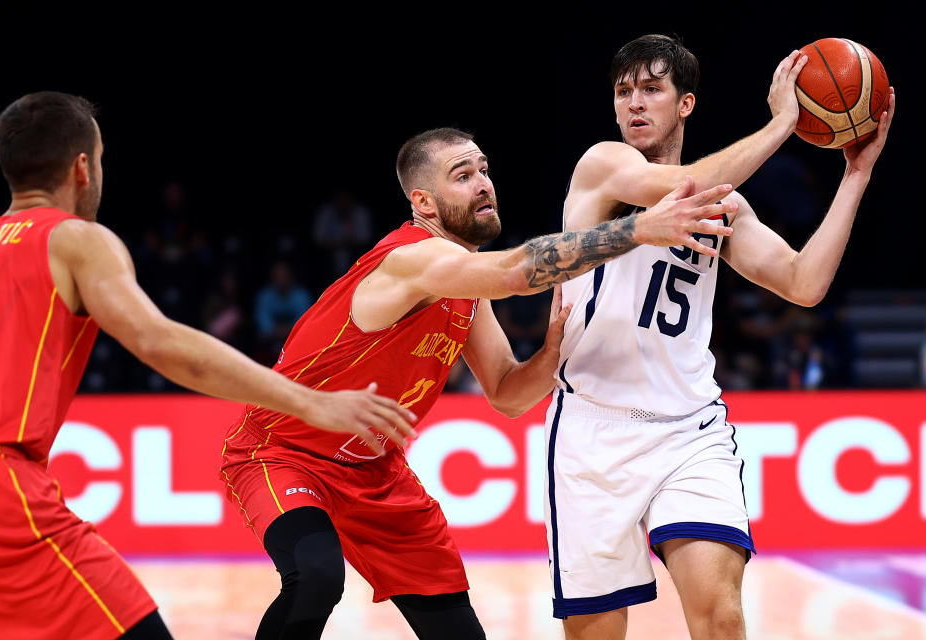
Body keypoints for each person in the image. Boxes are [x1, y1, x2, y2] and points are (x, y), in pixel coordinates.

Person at [219, 126, 737, 640]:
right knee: (315, 577)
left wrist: (551, 356)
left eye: (484, 170)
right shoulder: (411, 259)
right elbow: (516, 272)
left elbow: (507, 394)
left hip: (376, 473)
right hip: (283, 452)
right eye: (462, 176)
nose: (483, 183)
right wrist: (638, 229)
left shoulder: (463, 284)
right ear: (423, 200)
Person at [0, 91, 417, 640]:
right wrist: (312, 401)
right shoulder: (74, 239)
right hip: (6, 485)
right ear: (81, 167)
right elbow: (160, 342)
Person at [545, 34, 894, 640]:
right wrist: (784, 122)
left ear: (685, 104)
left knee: (722, 619)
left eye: (652, 90)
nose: (634, 104)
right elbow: (688, 186)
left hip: (689, 430)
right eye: (624, 92)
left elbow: (802, 282)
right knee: (597, 632)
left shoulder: (725, 205)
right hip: (593, 432)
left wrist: (856, 175)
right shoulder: (604, 166)